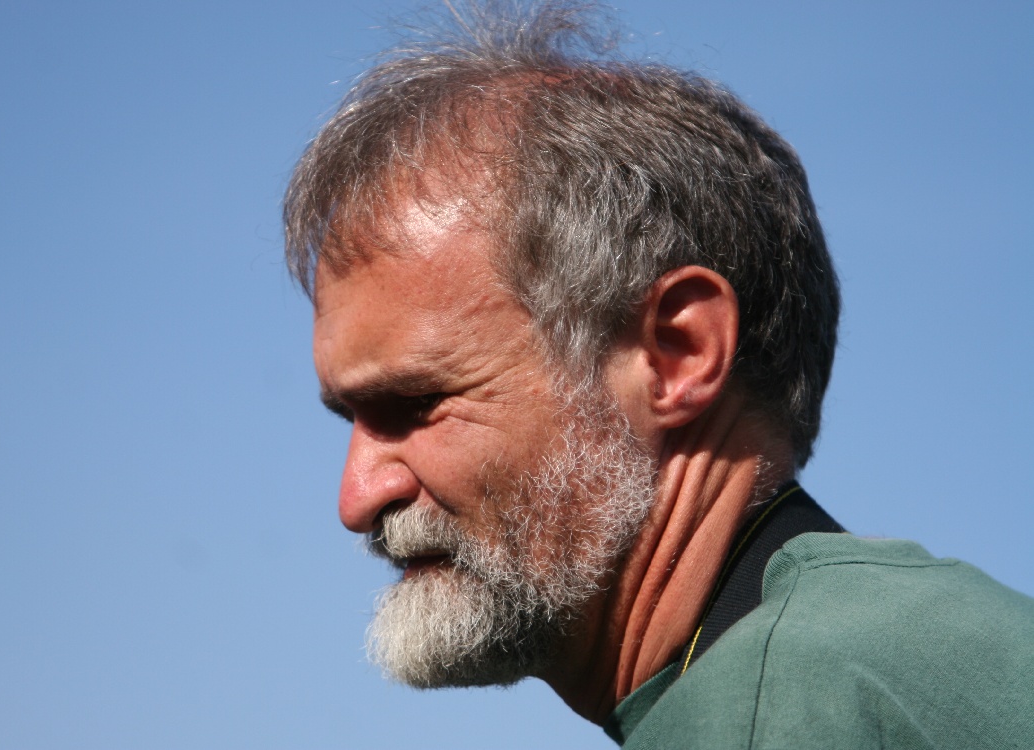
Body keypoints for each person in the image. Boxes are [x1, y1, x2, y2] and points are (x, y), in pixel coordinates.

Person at [283, 2, 1034, 747]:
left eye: (417, 401)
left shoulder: (773, 711)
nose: (357, 498)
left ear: (678, 355)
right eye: (351, 417)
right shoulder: (923, 651)